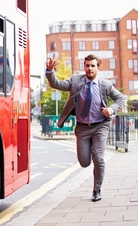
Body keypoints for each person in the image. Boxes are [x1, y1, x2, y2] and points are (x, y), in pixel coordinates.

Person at [45, 54, 125, 202]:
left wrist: (111, 109)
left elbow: (120, 98)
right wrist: (50, 71)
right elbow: (57, 84)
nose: (89, 69)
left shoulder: (105, 85)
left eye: (93, 66)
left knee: (99, 158)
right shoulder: (76, 81)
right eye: (87, 65)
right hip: (82, 128)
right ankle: (92, 173)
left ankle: (96, 190)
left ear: (97, 68)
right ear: (84, 66)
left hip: (100, 125)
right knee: (84, 162)